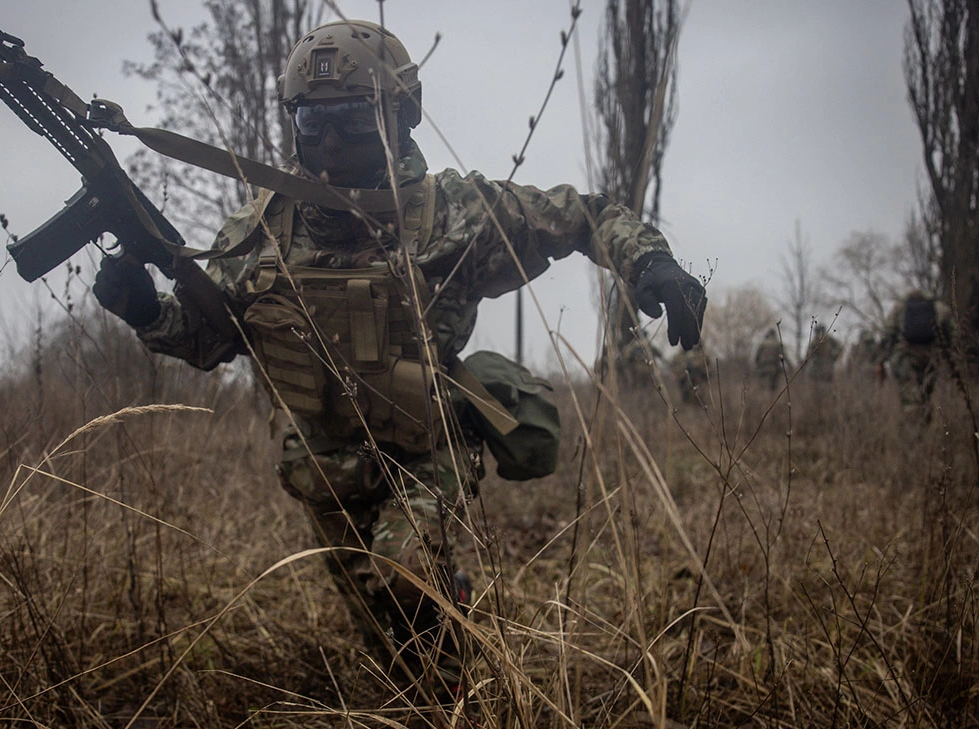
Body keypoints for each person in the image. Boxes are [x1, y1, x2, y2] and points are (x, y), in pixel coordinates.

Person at [92, 19, 706, 703]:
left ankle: (466, 687)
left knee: (406, 574)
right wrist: (148, 315)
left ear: (397, 115)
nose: (328, 144)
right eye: (311, 122)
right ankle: (435, 670)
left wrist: (648, 260)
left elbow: (579, 215)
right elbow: (219, 339)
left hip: (425, 446)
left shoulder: (450, 213)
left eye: (352, 121)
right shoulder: (260, 228)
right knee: (393, 646)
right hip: (323, 467)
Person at [878, 290, 956, 413]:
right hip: (932, 356)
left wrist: (886, 356)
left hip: (906, 357)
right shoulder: (940, 308)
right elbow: (954, 334)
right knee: (926, 393)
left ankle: (914, 426)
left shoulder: (899, 308)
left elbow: (888, 334)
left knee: (910, 396)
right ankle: (925, 418)